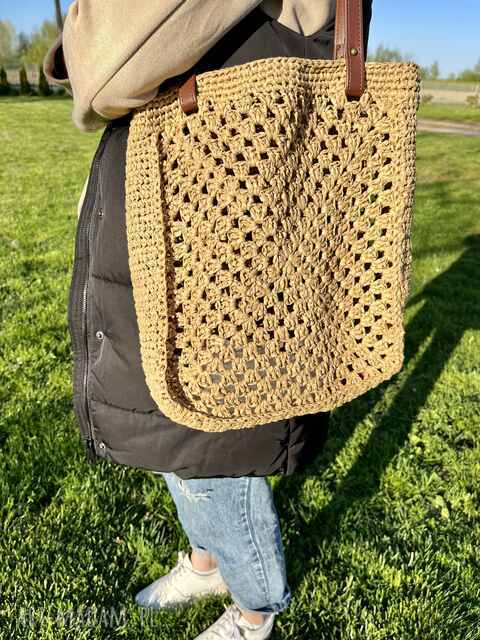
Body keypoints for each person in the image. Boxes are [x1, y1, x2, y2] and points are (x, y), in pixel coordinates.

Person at [44, 2, 373, 638]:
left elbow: (107, 73)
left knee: (213, 443)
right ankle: (208, 562)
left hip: (222, 222)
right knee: (174, 429)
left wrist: (76, 44)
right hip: (193, 200)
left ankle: (255, 609)